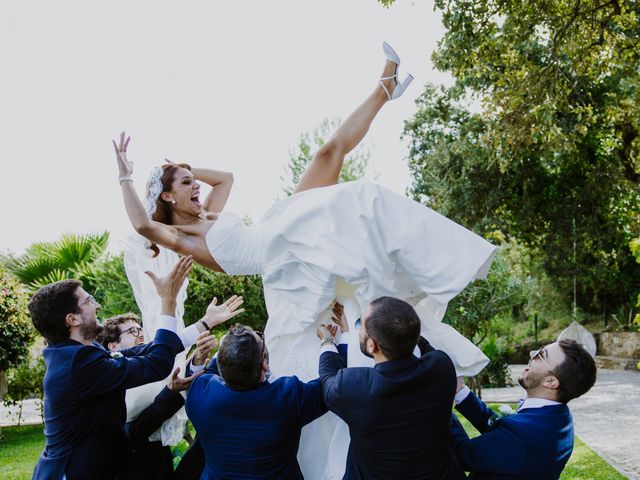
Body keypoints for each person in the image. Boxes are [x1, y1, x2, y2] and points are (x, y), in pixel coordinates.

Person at [113, 42, 496, 478]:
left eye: (192, 181)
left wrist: (184, 169)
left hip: (283, 234)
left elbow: (228, 177)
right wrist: (127, 174)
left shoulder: (208, 211)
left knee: (328, 155)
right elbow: (144, 226)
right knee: (356, 195)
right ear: (167, 196)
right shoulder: (183, 236)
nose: (196, 187)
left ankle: (384, 87)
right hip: (283, 263)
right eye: (184, 184)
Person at [28, 256, 192, 480]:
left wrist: (203, 326)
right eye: (89, 301)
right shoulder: (78, 364)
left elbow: (142, 352)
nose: (97, 305)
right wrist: (168, 301)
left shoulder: (76, 354)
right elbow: (157, 365)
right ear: (72, 319)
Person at [318, 298, 465, 480]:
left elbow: (327, 379)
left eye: (360, 326)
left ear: (372, 345)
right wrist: (355, 331)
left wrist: (327, 341)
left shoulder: (352, 387)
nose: (359, 331)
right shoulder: (441, 367)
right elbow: (421, 343)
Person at [185, 323, 331, 479]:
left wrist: (229, 349)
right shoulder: (288, 398)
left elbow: (206, 374)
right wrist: (328, 343)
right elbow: (330, 387)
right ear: (264, 363)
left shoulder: (200, 394)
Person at [450, 340, 597, 479]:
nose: (532, 353)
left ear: (551, 382)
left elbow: (461, 453)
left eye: (541, 355)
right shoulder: (559, 416)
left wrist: (440, 403)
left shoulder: (523, 433)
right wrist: (460, 391)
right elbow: (499, 434)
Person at [99, 316, 218, 480]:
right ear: (114, 346)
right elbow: (131, 432)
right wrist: (170, 391)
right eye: (132, 331)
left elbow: (178, 379)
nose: (140, 334)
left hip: (161, 464)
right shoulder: (107, 383)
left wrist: (198, 357)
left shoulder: (151, 370)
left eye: (140, 329)